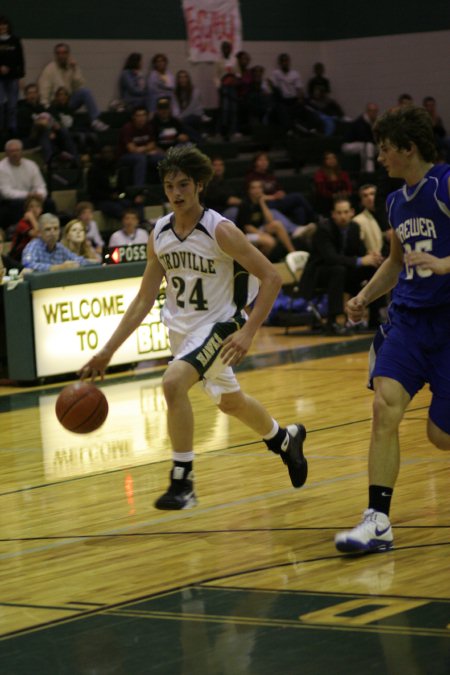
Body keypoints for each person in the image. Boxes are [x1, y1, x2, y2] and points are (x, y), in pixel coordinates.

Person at [79, 145, 308, 509]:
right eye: (170, 186)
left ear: (200, 185)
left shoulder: (221, 230)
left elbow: (272, 277)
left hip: (221, 326)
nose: (176, 193)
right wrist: (107, 350)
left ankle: (182, 482)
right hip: (182, 333)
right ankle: (284, 438)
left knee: (172, 384)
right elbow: (142, 299)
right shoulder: (159, 233)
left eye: (184, 184)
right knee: (231, 403)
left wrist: (248, 331)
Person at [335, 105, 450, 553]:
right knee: (385, 408)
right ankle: (377, 520)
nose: (380, 157)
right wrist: (364, 297)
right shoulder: (396, 201)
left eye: (385, 149)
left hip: (447, 324)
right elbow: (396, 262)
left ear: (408, 148)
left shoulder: (443, 184)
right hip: (407, 321)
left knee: (440, 437)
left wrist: (444, 263)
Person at [298, 197, 383, 334]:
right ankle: (334, 321)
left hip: (343, 272)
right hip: (318, 274)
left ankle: (374, 317)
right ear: (333, 214)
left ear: (352, 212)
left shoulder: (354, 227)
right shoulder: (323, 229)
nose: (342, 216)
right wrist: (361, 260)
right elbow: (331, 258)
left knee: (372, 268)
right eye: (339, 213)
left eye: (345, 212)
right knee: (338, 270)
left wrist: (371, 256)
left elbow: (359, 252)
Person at [38, 43, 108, 131]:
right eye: (58, 53)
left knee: (86, 92)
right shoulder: (49, 70)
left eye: (64, 53)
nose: (61, 56)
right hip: (55, 105)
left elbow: (80, 86)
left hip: (68, 101)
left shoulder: (72, 66)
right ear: (55, 55)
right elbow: (44, 92)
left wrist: (75, 69)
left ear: (68, 54)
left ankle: (95, 121)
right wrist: (48, 109)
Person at [236, 179, 296, 260]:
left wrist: (262, 202)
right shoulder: (245, 205)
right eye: (254, 188)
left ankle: (293, 254)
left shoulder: (259, 202)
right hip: (245, 235)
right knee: (270, 241)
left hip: (257, 230)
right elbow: (248, 227)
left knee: (277, 224)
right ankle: (259, 263)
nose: (257, 190)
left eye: (259, 187)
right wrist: (263, 234)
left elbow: (270, 221)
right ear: (249, 191)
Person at [17, 83, 78, 162]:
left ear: (38, 94)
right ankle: (49, 165)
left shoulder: (41, 108)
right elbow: (26, 129)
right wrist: (47, 129)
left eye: (34, 93)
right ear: (25, 95)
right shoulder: (22, 109)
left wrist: (55, 128)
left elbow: (50, 120)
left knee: (62, 129)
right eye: (30, 93)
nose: (32, 95)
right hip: (30, 137)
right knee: (44, 131)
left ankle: (75, 161)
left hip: (46, 134)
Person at [22, 212, 97, 272]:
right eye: (48, 229)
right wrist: (58, 268)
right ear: (40, 232)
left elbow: (77, 260)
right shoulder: (33, 246)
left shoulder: (60, 248)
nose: (53, 232)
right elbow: (28, 265)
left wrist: (96, 262)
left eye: (56, 228)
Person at [0, 138, 49, 228]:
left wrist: (41, 195)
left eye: (17, 150)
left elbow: (40, 185)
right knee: (17, 205)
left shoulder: (31, 165)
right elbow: (6, 192)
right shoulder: (1, 168)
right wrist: (28, 195)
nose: (15, 154)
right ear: (6, 153)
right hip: (12, 201)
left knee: (49, 203)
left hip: (32, 198)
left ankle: (48, 227)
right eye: (12, 151)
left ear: (22, 151)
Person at [118, 105, 164, 186]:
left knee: (161, 157)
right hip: (125, 156)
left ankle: (163, 187)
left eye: (144, 115)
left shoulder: (149, 127)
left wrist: (142, 149)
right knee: (140, 159)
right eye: (139, 115)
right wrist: (147, 150)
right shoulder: (127, 128)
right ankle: (139, 190)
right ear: (133, 117)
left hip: (144, 155)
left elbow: (152, 144)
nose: (142, 118)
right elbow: (131, 149)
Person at [0, 15, 24, 134]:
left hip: (13, 77)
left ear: (8, 26)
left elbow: (20, 59)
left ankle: (12, 128)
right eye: (0, 25)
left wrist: (21, 76)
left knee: (12, 105)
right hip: (0, 78)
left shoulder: (15, 40)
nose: (2, 27)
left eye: (4, 24)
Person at [353, 184, 391, 258]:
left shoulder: (391, 213)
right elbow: (357, 246)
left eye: (372, 194)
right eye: (365, 196)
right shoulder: (358, 221)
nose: (370, 198)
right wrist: (369, 254)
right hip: (375, 259)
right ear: (362, 201)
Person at [341, 102, 379, 172]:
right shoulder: (360, 122)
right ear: (367, 111)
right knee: (368, 146)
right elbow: (364, 138)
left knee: (372, 146)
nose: (374, 113)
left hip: (361, 143)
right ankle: (368, 170)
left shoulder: (373, 122)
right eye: (372, 111)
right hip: (348, 145)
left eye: (375, 111)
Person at [313, 151, 353, 216]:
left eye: (333, 158)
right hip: (327, 199)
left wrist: (347, 192)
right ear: (324, 161)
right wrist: (332, 195)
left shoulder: (342, 173)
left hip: (342, 197)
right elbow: (321, 190)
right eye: (328, 158)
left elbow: (348, 185)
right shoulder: (319, 174)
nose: (331, 160)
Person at [172, 70, 205, 144]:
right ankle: (197, 140)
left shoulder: (195, 91)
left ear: (188, 79)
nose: (182, 79)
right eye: (180, 77)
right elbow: (175, 106)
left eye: (185, 77)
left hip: (195, 114)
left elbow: (191, 108)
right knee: (179, 123)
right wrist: (177, 116)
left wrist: (180, 117)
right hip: (182, 116)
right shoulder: (175, 92)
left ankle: (200, 141)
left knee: (183, 123)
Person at [9, 194, 43, 263]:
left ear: (41, 209)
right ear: (27, 210)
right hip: (18, 257)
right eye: (31, 206)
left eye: (37, 206)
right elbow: (38, 235)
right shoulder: (22, 224)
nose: (34, 209)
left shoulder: (42, 221)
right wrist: (32, 219)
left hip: (36, 254)